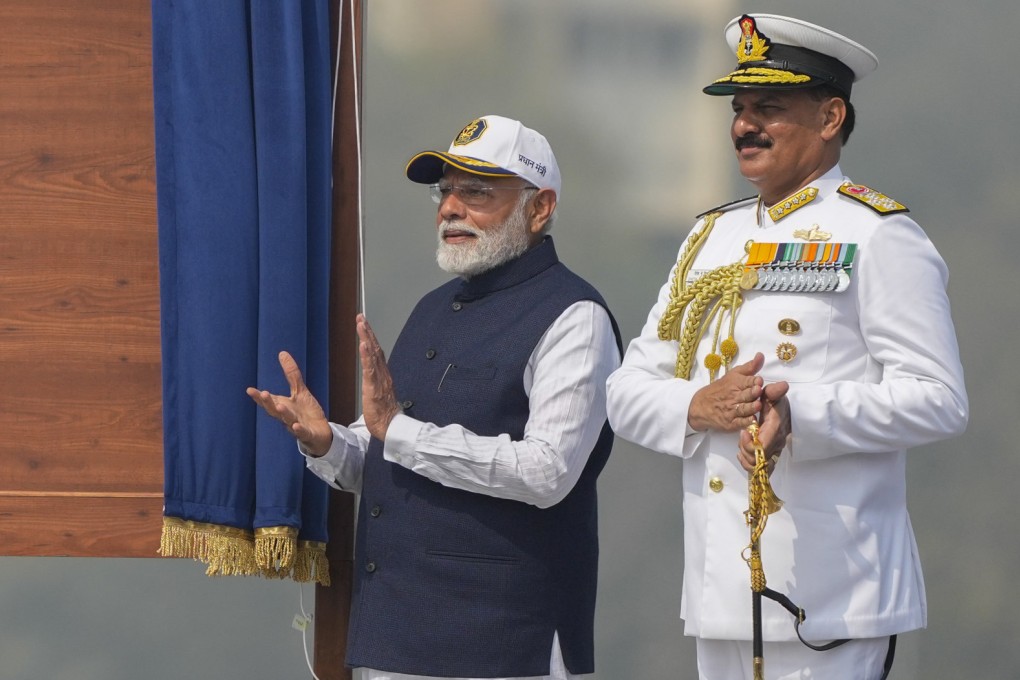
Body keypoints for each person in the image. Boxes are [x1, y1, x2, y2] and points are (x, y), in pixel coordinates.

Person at [605, 13, 968, 680]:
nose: (745, 125)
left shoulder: (879, 234)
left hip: (831, 594)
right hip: (721, 594)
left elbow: (941, 400)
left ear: (830, 118)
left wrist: (803, 415)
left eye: (769, 107)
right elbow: (627, 391)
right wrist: (698, 406)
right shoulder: (707, 238)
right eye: (740, 109)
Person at [248, 114, 621, 680]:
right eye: (445, 191)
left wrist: (397, 431)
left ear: (539, 208)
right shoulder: (434, 306)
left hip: (499, 644)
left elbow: (548, 472)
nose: (450, 207)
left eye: (476, 192)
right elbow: (393, 453)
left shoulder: (575, 318)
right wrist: (328, 444)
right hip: (395, 636)